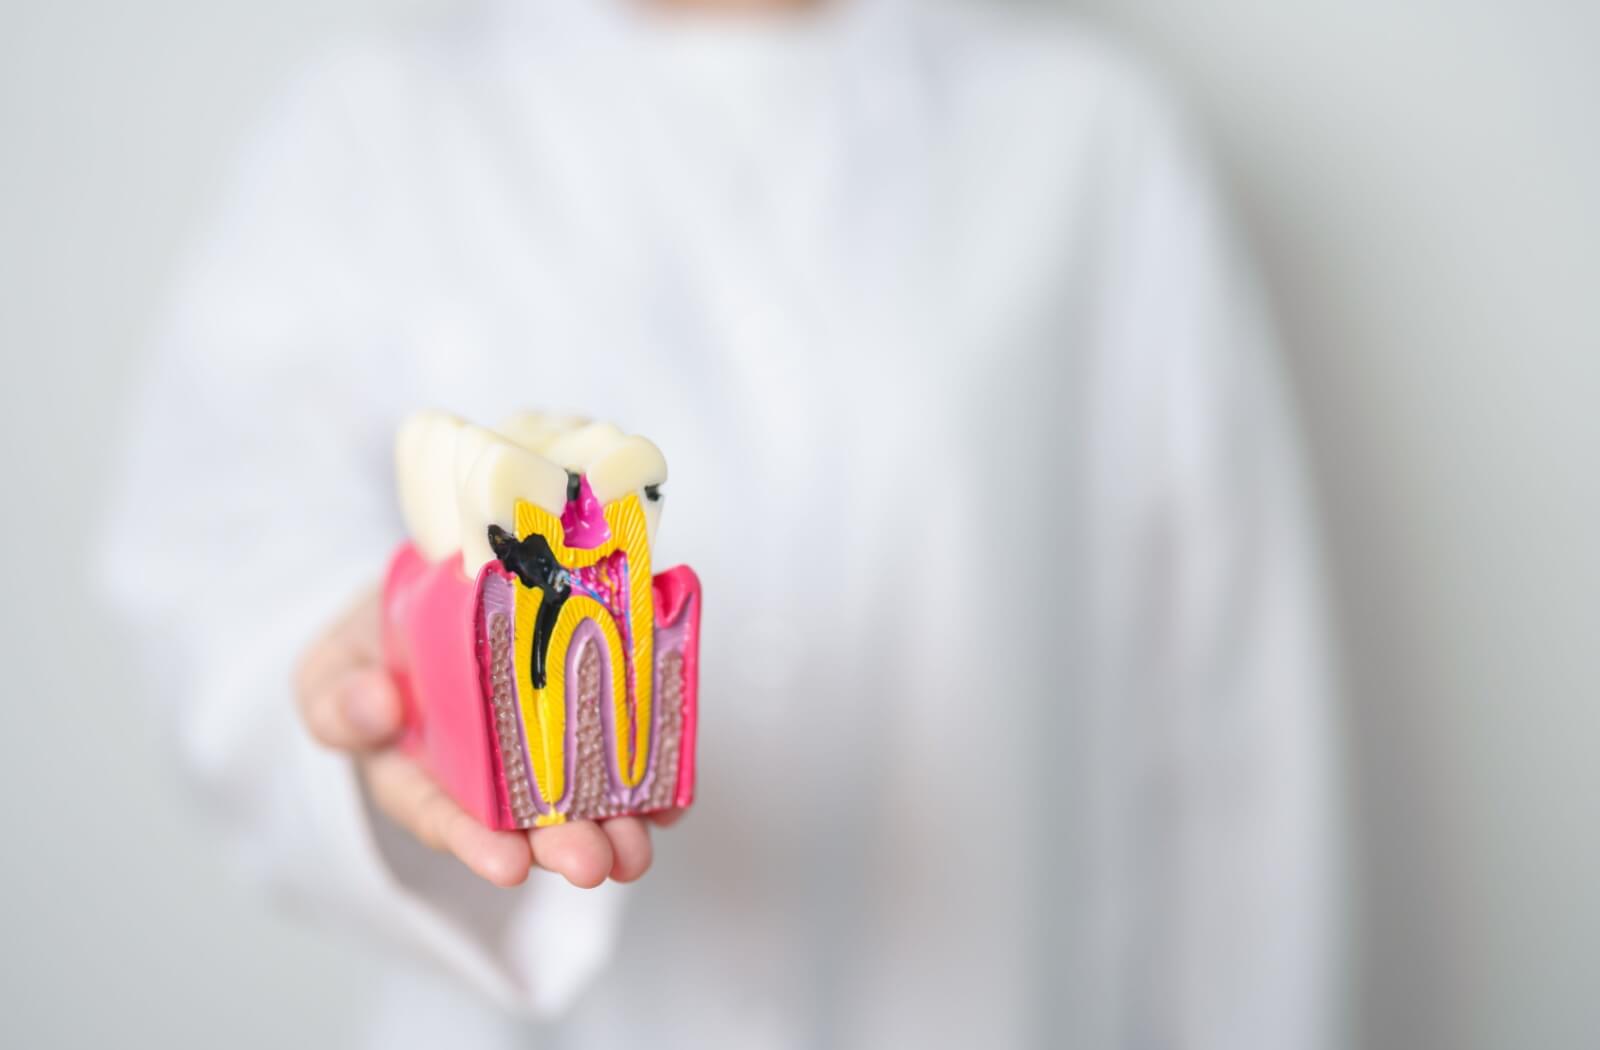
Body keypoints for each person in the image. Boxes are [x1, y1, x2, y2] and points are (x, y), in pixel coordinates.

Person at [104, 0, 1342, 1046]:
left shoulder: (1089, 143)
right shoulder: (375, 130)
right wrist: (370, 680)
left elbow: (1233, 743)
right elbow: (217, 548)